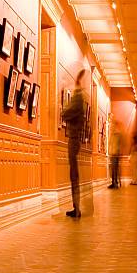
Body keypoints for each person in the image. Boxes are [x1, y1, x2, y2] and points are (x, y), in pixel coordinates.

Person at [62, 69, 86, 218]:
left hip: (74, 139)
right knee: (74, 174)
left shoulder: (77, 99)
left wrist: (64, 110)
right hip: (75, 139)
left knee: (74, 175)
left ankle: (76, 209)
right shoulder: (79, 99)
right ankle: (76, 207)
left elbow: (65, 113)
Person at [108, 120, 122, 188]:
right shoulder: (113, 134)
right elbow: (110, 143)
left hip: (115, 154)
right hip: (113, 153)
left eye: (112, 125)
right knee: (113, 169)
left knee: (114, 169)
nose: (111, 127)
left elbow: (118, 144)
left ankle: (115, 183)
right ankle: (114, 182)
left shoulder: (117, 134)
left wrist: (116, 152)